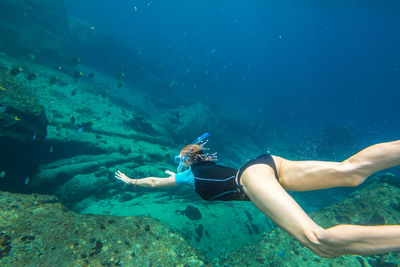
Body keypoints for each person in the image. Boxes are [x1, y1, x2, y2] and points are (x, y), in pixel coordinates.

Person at [115, 133, 400, 258]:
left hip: (249, 179)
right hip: (266, 164)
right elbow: (173, 177)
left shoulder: (188, 175)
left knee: (319, 241)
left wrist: (132, 181)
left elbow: (154, 181)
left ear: (187, 161)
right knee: (349, 171)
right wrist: (173, 176)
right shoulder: (200, 169)